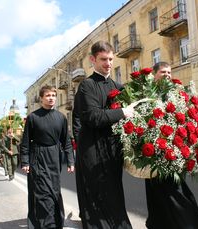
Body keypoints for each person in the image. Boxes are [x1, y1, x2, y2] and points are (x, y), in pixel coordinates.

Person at [144, 62, 198, 229]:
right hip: (154, 155)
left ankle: (190, 224)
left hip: (173, 154)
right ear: (155, 74)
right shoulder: (148, 94)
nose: (167, 74)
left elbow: (184, 118)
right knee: (157, 195)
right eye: (163, 72)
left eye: (169, 72)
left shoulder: (176, 93)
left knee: (177, 193)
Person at [73, 40, 134, 229]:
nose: (108, 63)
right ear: (93, 60)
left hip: (112, 150)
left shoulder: (119, 86)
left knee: (114, 191)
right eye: (103, 59)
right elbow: (93, 117)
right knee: (96, 194)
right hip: (91, 149)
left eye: (110, 59)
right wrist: (123, 112)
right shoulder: (87, 86)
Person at [20, 85, 75, 229]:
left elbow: (66, 141)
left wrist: (70, 161)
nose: (51, 98)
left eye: (53, 95)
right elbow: (25, 142)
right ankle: (45, 224)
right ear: (41, 98)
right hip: (38, 157)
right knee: (42, 191)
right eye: (48, 95)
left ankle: (56, 221)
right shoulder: (33, 117)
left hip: (55, 157)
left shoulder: (61, 118)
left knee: (54, 190)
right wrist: (25, 161)